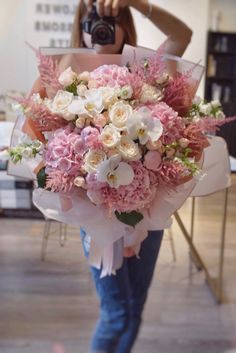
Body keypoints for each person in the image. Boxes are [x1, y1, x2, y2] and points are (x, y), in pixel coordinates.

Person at [69, 1, 193, 353]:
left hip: (148, 213)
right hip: (96, 216)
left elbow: (182, 35)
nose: (99, 28)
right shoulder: (68, 75)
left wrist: (135, 2)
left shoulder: (149, 70)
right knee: (116, 314)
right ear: (79, 28)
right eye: (90, 21)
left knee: (136, 307)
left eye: (109, 20)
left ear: (125, 23)